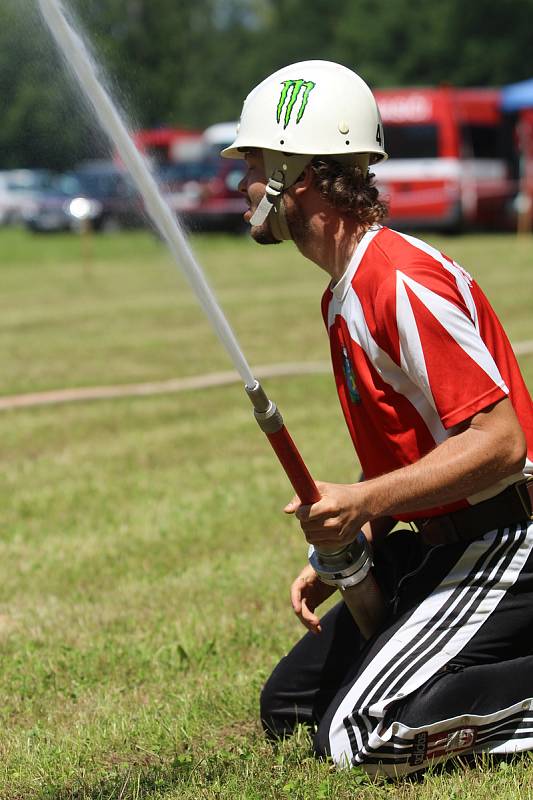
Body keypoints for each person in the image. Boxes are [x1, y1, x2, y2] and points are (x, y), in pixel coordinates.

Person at [221, 60, 533, 777]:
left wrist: (361, 499)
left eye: (255, 164)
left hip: (507, 537)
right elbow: (409, 452)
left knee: (361, 735)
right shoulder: (345, 294)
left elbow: (500, 443)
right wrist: (351, 540)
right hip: (442, 537)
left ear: (295, 175)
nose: (241, 185)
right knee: (292, 707)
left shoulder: (396, 282)